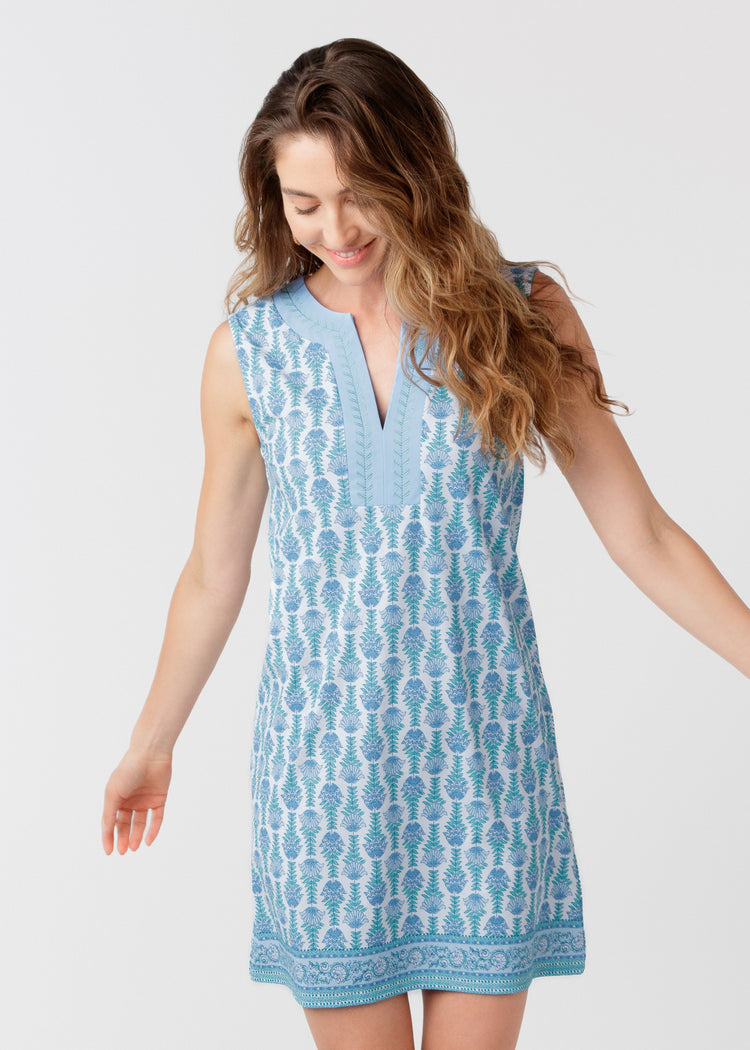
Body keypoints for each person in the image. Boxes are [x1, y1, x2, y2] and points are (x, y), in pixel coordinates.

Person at [101, 37, 750, 1050]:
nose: (335, 228)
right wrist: (151, 745)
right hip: (324, 781)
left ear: (418, 171)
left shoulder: (518, 313)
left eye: (359, 194)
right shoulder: (248, 354)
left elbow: (644, 535)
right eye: (302, 204)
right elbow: (211, 574)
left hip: (482, 767)